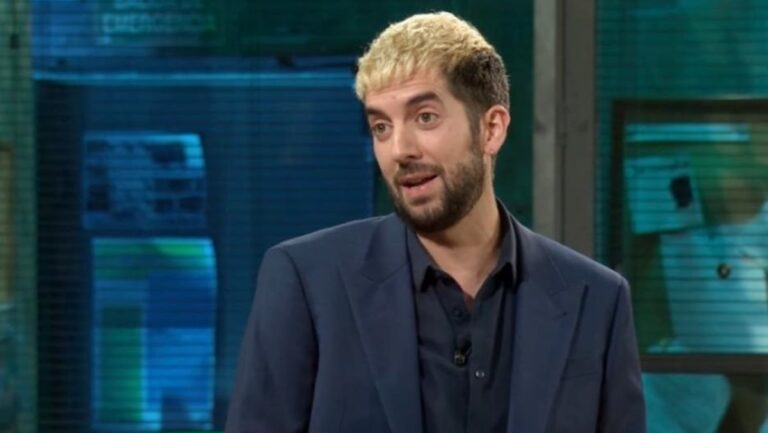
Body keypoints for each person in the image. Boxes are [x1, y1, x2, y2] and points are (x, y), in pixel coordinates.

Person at [226, 11, 645, 433]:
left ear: (491, 129)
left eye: (425, 117)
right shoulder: (308, 282)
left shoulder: (597, 300)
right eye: (381, 126)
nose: (399, 150)